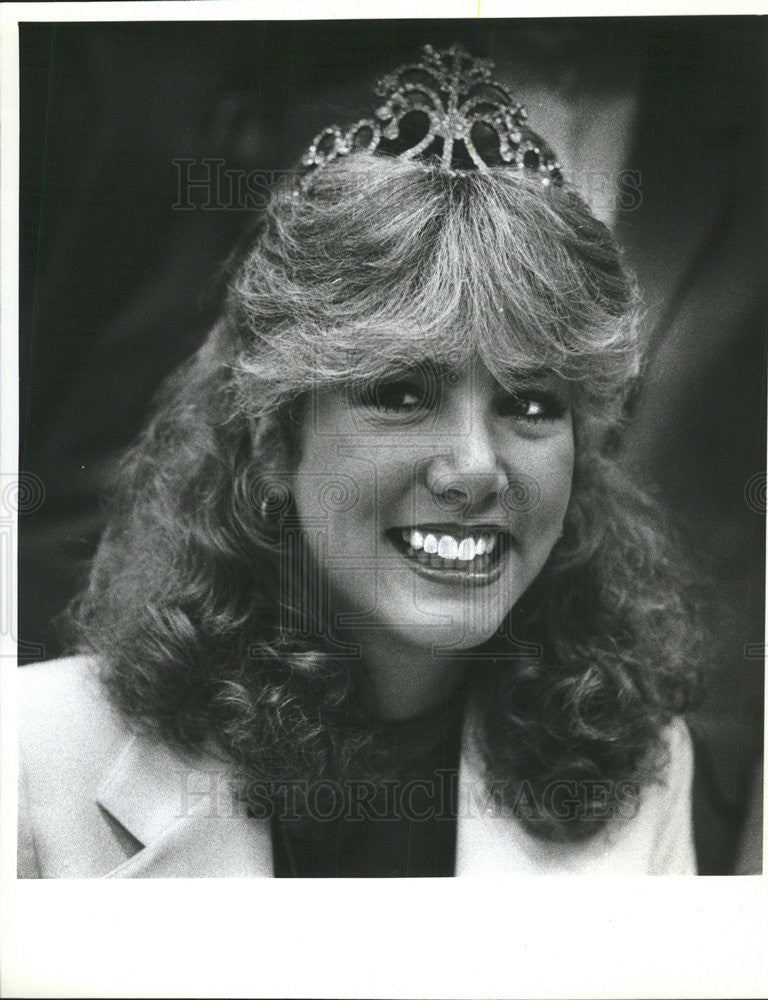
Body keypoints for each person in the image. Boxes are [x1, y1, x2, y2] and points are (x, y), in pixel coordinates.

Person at [18, 44, 701, 878]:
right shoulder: (32, 761)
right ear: (275, 440)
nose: (475, 468)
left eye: (531, 405)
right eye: (402, 394)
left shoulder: (646, 767)